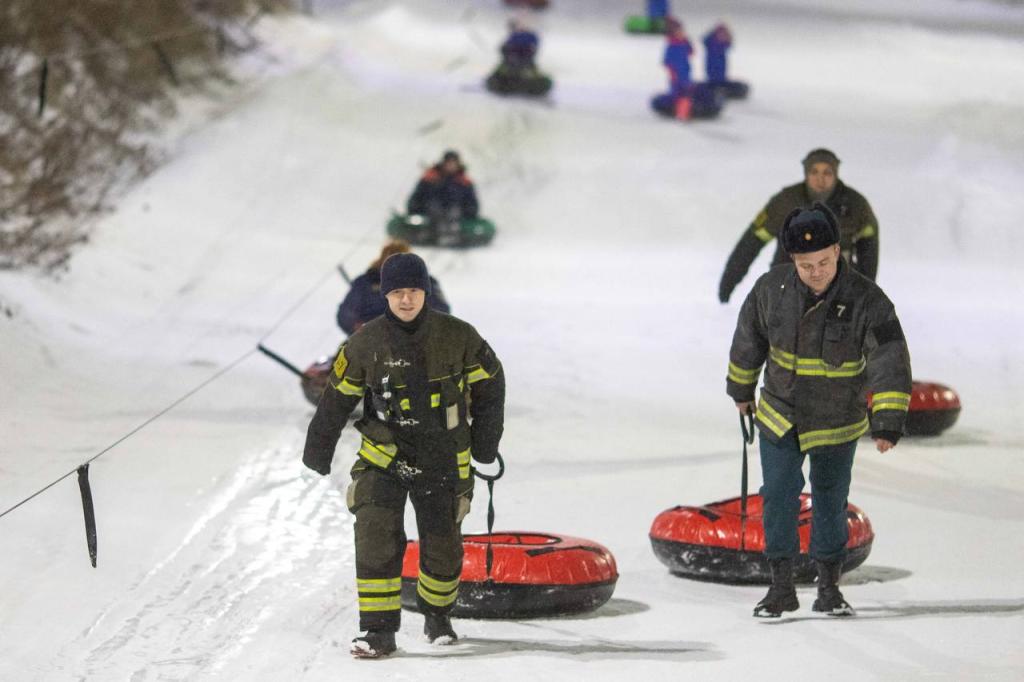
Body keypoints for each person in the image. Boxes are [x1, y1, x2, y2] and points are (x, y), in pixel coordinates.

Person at [303, 252, 505, 658]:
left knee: (442, 544)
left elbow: (492, 386)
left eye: (413, 291)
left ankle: (437, 615)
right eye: (398, 292)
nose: (406, 300)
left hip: (444, 456)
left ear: (425, 292)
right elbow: (336, 398)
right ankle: (378, 631)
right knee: (374, 533)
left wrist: (485, 444)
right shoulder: (365, 343)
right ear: (387, 296)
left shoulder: (459, 336)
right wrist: (318, 451)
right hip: (384, 455)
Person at [725, 204, 911, 618]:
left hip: (836, 421)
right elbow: (748, 339)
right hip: (780, 416)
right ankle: (781, 587)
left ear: (839, 252)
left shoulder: (867, 299)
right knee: (777, 497)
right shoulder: (770, 290)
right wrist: (741, 388)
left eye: (824, 261)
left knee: (830, 501)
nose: (816, 271)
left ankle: (829, 587)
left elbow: (890, 358)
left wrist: (887, 420)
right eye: (805, 264)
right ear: (792, 259)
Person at [719, 148, 880, 303]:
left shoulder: (856, 205)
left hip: (839, 292)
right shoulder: (785, 202)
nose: (820, 179)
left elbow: (869, 250)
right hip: (787, 290)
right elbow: (751, 242)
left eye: (827, 173)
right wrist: (728, 282)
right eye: (814, 172)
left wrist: (867, 290)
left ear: (835, 175)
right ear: (806, 173)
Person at [336, 240, 450, 336]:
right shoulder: (365, 282)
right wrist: (357, 328)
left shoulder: (425, 282)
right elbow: (346, 313)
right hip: (372, 339)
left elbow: (441, 310)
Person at [406, 150, 479, 221]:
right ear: (443, 163)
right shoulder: (430, 178)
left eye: (453, 163)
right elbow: (417, 196)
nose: (451, 166)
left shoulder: (464, 182)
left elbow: (472, 202)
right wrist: (415, 209)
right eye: (448, 163)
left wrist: (469, 212)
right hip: (429, 215)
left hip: (456, 218)